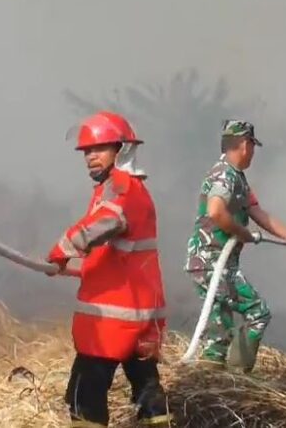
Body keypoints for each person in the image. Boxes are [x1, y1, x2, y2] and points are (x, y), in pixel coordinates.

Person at [46, 111, 171, 428]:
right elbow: (117, 255)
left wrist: (62, 249)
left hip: (111, 322)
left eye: (99, 148)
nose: (91, 156)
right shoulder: (122, 190)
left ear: (122, 149)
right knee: (149, 394)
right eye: (87, 151)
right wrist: (73, 266)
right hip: (136, 316)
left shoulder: (123, 188)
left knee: (84, 398)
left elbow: (107, 221)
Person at [184, 119, 286, 373]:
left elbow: (258, 213)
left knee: (218, 338)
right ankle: (238, 374)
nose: (253, 153)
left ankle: (214, 379)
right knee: (258, 312)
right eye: (253, 146)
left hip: (217, 263)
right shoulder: (224, 175)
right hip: (211, 263)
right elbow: (215, 211)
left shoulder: (238, 179)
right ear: (245, 145)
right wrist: (242, 233)